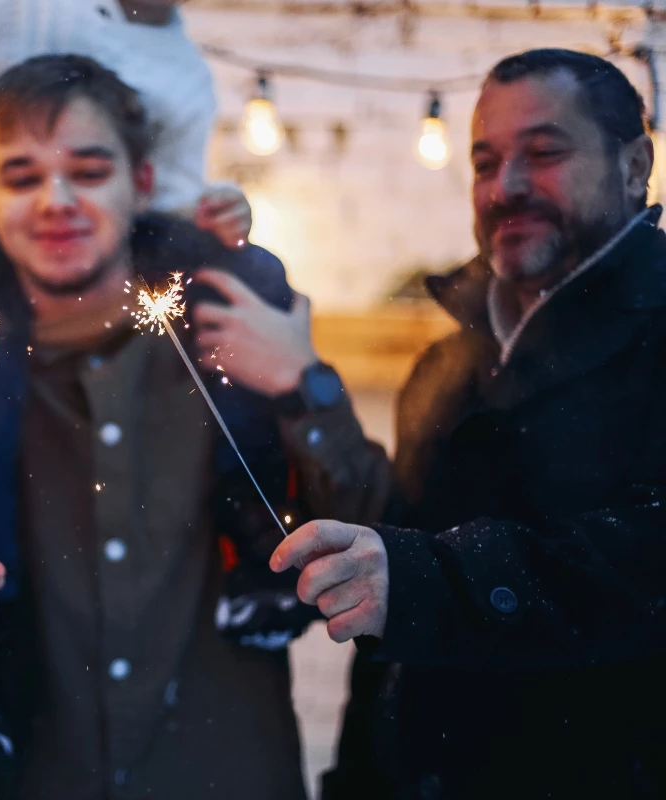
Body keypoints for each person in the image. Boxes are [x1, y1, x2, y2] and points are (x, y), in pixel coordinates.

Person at [0, 54, 390, 799]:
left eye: (89, 171)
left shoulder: (241, 336)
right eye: (23, 177)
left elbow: (383, 536)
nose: (57, 199)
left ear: (143, 184)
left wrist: (304, 387)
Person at [267, 48, 666, 798]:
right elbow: (395, 596)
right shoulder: (446, 366)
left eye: (543, 153)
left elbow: (646, 562)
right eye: (485, 163)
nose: (506, 187)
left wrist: (427, 580)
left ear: (633, 162)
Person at [0, 0, 253, 248]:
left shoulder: (190, 80)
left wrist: (216, 215)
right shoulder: (31, 7)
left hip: (98, 259)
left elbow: (170, 203)